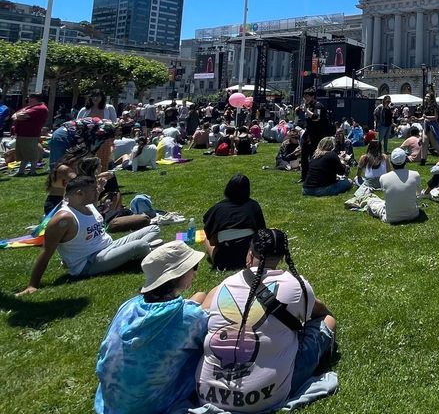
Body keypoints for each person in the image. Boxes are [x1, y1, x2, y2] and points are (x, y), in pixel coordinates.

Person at [196, 229, 337, 412]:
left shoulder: (223, 286)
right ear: (282, 256)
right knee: (328, 321)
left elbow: (202, 316)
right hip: (265, 398)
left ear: (249, 253)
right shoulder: (297, 285)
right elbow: (321, 312)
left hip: (206, 394)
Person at [95, 241, 208, 414]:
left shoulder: (128, 306)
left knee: (199, 297)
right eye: (194, 267)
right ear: (181, 273)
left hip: (112, 404)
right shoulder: (190, 317)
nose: (195, 272)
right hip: (153, 406)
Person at [17, 176, 161, 295]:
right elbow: (46, 251)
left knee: (154, 228)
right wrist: (33, 285)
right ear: (79, 194)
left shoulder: (88, 204)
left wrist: (99, 186)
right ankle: (143, 251)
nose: (98, 192)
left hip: (108, 247)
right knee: (140, 245)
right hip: (88, 263)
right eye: (94, 190)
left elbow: (94, 194)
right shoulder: (64, 219)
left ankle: (136, 252)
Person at [203, 174, 267, 271]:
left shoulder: (217, 209)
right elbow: (262, 232)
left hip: (224, 261)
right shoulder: (253, 206)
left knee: (206, 237)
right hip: (249, 258)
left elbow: (212, 241)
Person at [346, 147, 420, 223]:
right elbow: (418, 195)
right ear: (405, 161)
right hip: (413, 214)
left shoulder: (384, 178)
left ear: (391, 161)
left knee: (371, 201)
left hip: (390, 217)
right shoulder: (416, 175)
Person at [11, 92, 49, 175]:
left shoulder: (40, 108)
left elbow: (19, 116)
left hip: (30, 135)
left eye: (29, 98)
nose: (28, 99)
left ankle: (32, 171)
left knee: (32, 154)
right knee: (24, 155)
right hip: (22, 134)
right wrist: (18, 116)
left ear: (34, 98)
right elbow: (14, 116)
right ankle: (21, 172)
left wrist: (18, 116)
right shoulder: (30, 107)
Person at [299, 88, 330, 185]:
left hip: (317, 134)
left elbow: (317, 118)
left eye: (307, 96)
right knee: (304, 154)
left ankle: (315, 175)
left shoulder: (318, 105)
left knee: (315, 155)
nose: (305, 98)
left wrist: (306, 110)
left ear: (312, 96)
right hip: (308, 133)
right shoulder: (308, 106)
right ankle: (304, 176)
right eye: (304, 97)